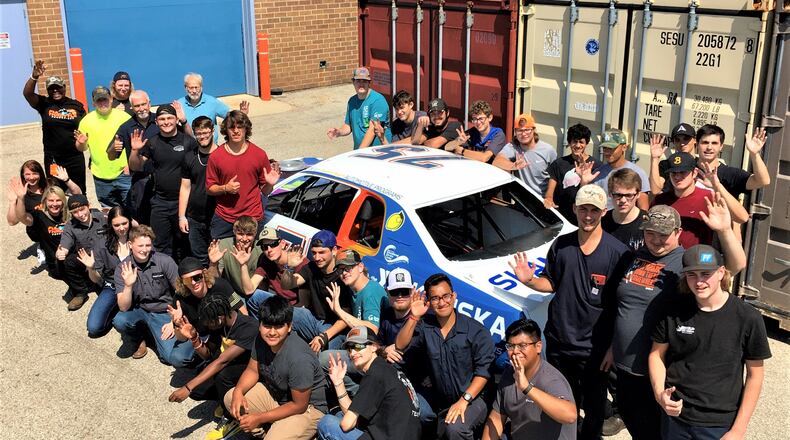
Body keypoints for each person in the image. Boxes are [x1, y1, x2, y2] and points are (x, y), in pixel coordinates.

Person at [603, 199, 746, 440]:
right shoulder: (635, 257)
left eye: (663, 234)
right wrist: (612, 346)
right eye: (650, 233)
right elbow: (624, 307)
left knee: (655, 432)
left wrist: (724, 231)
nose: (656, 240)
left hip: (659, 371)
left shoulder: (685, 263)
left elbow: (735, 265)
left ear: (678, 232)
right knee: (633, 421)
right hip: (624, 366)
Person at [509, 184, 631, 440]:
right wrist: (530, 280)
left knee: (594, 409)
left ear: (604, 212)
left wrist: (612, 347)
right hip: (560, 343)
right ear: (574, 209)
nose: (588, 216)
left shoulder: (619, 254)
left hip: (595, 349)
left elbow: (624, 305)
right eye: (583, 209)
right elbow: (551, 283)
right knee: (563, 404)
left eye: (594, 210)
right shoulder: (561, 245)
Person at [649, 245, 771, 439]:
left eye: (706, 274)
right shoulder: (673, 310)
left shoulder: (748, 318)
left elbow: (755, 376)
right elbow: (656, 355)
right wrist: (659, 394)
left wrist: (738, 429)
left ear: (721, 272)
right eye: (692, 275)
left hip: (718, 424)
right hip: (675, 417)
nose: (699, 282)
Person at [395, 273, 495, 440]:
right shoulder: (425, 326)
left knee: (455, 428)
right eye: (435, 298)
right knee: (408, 410)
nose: (441, 303)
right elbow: (400, 345)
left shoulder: (476, 330)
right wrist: (413, 316)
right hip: (441, 399)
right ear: (429, 301)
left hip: (474, 398)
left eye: (445, 296)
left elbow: (484, 372)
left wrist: (464, 401)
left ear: (453, 296)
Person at [223, 295, 328, 439]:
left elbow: (299, 405)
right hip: (279, 398)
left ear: (289, 326)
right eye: (267, 326)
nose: (272, 332)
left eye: (279, 326)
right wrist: (238, 392)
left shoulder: (299, 358)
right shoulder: (261, 339)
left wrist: (259, 417)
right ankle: (265, 432)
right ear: (259, 325)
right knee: (231, 398)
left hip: (307, 410)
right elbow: (252, 370)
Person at [168, 283, 257, 427]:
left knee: (222, 375)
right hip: (229, 364)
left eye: (209, 322)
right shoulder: (220, 325)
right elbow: (208, 356)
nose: (207, 325)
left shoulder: (248, 327)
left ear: (220, 317)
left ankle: (231, 416)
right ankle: (225, 396)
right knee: (197, 391)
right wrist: (194, 337)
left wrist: (187, 387)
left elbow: (222, 361)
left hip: (251, 369)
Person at [317, 326, 421, 440]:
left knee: (327, 423)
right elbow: (353, 417)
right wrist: (338, 383)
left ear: (374, 347)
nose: (352, 353)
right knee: (339, 415)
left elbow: (347, 424)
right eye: (349, 348)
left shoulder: (375, 373)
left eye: (358, 346)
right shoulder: (387, 370)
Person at [112, 225, 195, 366]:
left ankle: (153, 335)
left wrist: (174, 322)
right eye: (140, 246)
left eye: (148, 245)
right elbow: (123, 307)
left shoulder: (164, 261)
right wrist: (128, 285)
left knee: (170, 358)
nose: (144, 250)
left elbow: (183, 293)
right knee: (120, 320)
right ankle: (139, 337)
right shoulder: (123, 268)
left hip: (164, 311)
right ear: (130, 245)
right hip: (140, 309)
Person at [483, 318, 577, 440]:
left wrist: (527, 387)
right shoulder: (509, 374)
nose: (515, 351)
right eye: (510, 346)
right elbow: (496, 418)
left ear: (538, 347)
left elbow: (570, 416)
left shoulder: (552, 380)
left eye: (522, 346)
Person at [129, 104, 199, 257]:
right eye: (162, 119)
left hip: (183, 203)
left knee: (184, 245)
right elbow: (136, 166)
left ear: (176, 119)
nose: (166, 122)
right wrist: (134, 151)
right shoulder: (152, 142)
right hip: (160, 203)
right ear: (156, 122)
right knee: (160, 245)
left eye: (169, 118)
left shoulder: (187, 141)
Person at [318, 250, 389, 396]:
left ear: (360, 267)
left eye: (348, 268)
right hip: (357, 342)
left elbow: (371, 330)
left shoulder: (371, 291)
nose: (344, 273)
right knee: (328, 344)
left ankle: (359, 394)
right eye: (341, 269)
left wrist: (339, 310)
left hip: (375, 352)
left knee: (324, 358)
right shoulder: (352, 288)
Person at [206, 110, 279, 240]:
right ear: (226, 130)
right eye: (231, 127)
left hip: (252, 218)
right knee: (219, 253)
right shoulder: (216, 157)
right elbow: (209, 189)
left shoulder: (259, 154)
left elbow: (265, 192)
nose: (236, 131)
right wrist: (225, 188)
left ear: (246, 129)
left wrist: (269, 184)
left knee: (254, 253)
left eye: (240, 127)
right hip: (224, 218)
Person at [651, 152, 748, 249]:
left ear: (694, 173)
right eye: (673, 173)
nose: (677, 177)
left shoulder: (709, 197)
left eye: (683, 172)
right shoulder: (661, 200)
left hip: (698, 256)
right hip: (666, 256)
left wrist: (717, 186)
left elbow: (742, 217)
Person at [278, 230, 354, 351]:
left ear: (334, 250)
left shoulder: (343, 275)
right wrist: (289, 267)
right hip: (312, 318)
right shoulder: (311, 267)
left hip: (335, 327)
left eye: (322, 252)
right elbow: (286, 285)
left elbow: (346, 318)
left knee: (325, 355)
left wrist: (324, 337)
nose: (317, 257)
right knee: (281, 314)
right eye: (314, 253)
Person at [23, 60, 88, 193]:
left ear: (64, 87)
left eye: (58, 87)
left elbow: (86, 128)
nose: (55, 90)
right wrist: (34, 76)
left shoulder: (76, 106)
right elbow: (27, 94)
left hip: (75, 157)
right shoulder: (44, 103)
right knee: (55, 192)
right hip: (53, 158)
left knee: (79, 193)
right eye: (51, 88)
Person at [7, 161, 79, 267]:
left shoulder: (50, 184)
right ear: (23, 175)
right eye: (27, 174)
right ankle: (43, 246)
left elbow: (78, 195)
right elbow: (12, 221)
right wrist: (14, 201)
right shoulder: (22, 193)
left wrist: (67, 180)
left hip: (58, 223)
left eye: (35, 173)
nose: (31, 177)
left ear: (40, 173)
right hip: (38, 229)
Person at [74, 86, 132, 208]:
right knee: (109, 211)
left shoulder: (124, 117)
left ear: (111, 99)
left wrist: (130, 165)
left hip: (124, 173)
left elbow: (134, 142)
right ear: (93, 103)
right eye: (99, 100)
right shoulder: (86, 121)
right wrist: (81, 143)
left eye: (105, 99)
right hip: (100, 176)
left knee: (132, 208)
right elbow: (81, 148)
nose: (102, 103)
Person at [107, 90, 159, 224]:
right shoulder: (126, 127)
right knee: (143, 222)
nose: (141, 108)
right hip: (140, 181)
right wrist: (113, 148)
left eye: (143, 104)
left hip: (163, 178)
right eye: (137, 106)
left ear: (149, 104)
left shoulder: (161, 121)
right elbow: (111, 156)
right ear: (131, 107)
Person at [78, 206, 131, 338]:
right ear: (110, 225)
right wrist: (91, 268)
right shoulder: (102, 244)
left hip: (138, 286)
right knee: (94, 328)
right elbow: (97, 279)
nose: (121, 228)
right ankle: (115, 309)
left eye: (124, 223)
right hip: (113, 286)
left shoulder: (138, 239)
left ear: (130, 221)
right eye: (116, 225)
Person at [544, 123, 604, 225]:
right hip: (560, 218)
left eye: (581, 142)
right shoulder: (559, 164)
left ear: (586, 143)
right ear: (569, 142)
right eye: (574, 141)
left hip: (585, 219)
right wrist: (548, 199)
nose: (577, 145)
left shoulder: (596, 165)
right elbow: (550, 191)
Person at [55, 194, 105, 311]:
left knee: (105, 291)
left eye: (82, 209)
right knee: (65, 262)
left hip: (106, 257)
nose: (80, 214)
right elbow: (65, 244)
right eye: (75, 212)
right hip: (86, 259)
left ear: (89, 206)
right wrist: (61, 252)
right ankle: (80, 291)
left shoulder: (102, 217)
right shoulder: (70, 226)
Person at [178, 116, 218, 265]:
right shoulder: (189, 157)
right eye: (198, 133)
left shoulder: (223, 155)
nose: (202, 137)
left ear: (212, 131)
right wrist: (182, 216)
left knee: (219, 257)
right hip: (195, 217)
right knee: (200, 257)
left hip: (218, 217)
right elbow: (185, 187)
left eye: (205, 132)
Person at [12, 184, 69, 279]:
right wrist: (21, 199)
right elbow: (23, 217)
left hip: (72, 257)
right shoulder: (39, 215)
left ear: (63, 201)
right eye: (51, 200)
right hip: (56, 263)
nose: (55, 204)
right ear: (45, 201)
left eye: (58, 200)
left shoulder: (68, 214)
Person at [240, 227, 309, 304]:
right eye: (264, 247)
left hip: (296, 306)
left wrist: (289, 267)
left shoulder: (300, 261)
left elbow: (287, 285)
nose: (269, 250)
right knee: (252, 297)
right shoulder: (265, 259)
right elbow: (248, 290)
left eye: (273, 244)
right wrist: (243, 265)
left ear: (282, 244)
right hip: (278, 302)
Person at [327, 67, 391, 149]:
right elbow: (348, 126)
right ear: (353, 82)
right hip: (361, 151)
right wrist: (339, 132)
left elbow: (372, 130)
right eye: (358, 81)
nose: (361, 84)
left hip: (378, 151)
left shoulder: (378, 101)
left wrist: (359, 152)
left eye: (364, 81)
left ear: (369, 83)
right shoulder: (352, 101)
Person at [495, 113, 557, 195]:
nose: (523, 134)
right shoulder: (513, 147)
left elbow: (555, 176)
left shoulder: (548, 150)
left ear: (534, 130)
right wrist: (513, 166)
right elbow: (497, 161)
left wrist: (549, 197)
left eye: (527, 130)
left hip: (542, 198)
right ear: (515, 132)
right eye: (519, 130)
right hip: (522, 199)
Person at [207, 216, 264, 302]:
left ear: (255, 233)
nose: (244, 239)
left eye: (249, 234)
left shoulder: (261, 249)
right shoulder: (224, 245)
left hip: (254, 292)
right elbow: (213, 281)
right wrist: (213, 263)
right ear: (234, 232)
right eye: (240, 234)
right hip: (232, 292)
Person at [593, 129, 649, 210]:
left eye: (611, 148)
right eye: (605, 148)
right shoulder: (598, 173)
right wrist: (584, 182)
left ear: (624, 147)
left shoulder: (638, 173)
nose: (607, 152)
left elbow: (643, 207)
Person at [177, 72, 231, 144]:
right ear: (185, 88)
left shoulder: (212, 102)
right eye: (191, 88)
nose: (194, 91)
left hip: (210, 147)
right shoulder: (179, 104)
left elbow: (231, 116)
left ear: (201, 87)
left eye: (196, 87)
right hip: (189, 147)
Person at [601, 168, 647, 251]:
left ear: (638, 195)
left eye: (629, 195)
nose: (623, 200)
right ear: (610, 194)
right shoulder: (601, 222)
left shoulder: (647, 222)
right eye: (618, 195)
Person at [648, 123, 697, 194]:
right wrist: (654, 159)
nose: (682, 143)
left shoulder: (700, 164)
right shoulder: (666, 164)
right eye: (677, 140)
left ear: (695, 140)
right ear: (673, 142)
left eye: (686, 139)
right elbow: (655, 190)